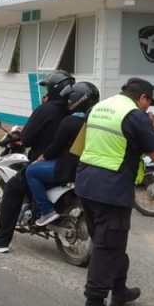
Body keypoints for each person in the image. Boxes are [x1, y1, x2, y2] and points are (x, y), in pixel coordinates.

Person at [75, 78, 154, 306]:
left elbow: (86, 144)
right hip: (111, 189)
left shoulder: (100, 107)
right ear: (143, 98)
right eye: (149, 103)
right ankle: (94, 303)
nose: (148, 109)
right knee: (108, 246)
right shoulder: (135, 115)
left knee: (110, 242)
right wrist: (151, 129)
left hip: (86, 183)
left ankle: (119, 290)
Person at [0, 70, 75, 253]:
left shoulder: (45, 109)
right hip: (68, 164)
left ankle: (0, 241)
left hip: (45, 163)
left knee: (12, 188)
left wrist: (19, 138)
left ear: (55, 90)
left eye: (47, 88)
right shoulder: (73, 112)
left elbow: (27, 138)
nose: (46, 92)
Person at [24, 81, 99, 227]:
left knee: (31, 171)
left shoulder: (69, 122)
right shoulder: (95, 122)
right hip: (87, 168)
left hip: (68, 168)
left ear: (79, 99)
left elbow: (54, 148)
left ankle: (46, 211)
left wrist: (38, 160)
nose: (68, 101)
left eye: (71, 98)